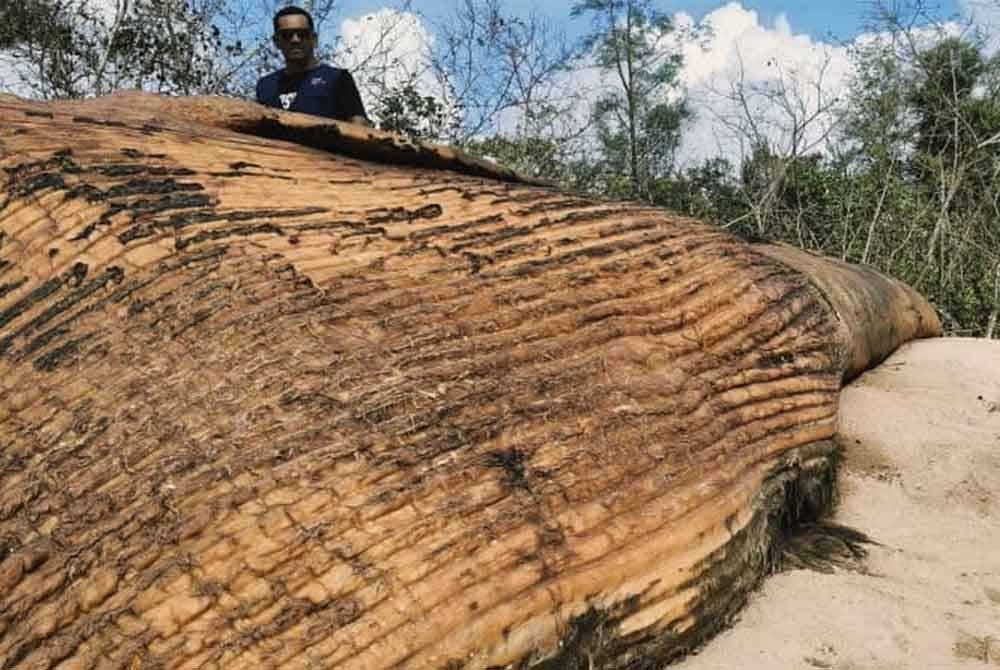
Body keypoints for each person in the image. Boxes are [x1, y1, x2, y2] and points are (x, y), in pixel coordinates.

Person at [255, 6, 370, 125]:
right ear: (276, 41)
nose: (295, 40)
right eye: (286, 35)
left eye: (302, 34)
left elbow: (360, 129)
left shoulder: (337, 78)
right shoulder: (265, 86)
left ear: (314, 39)